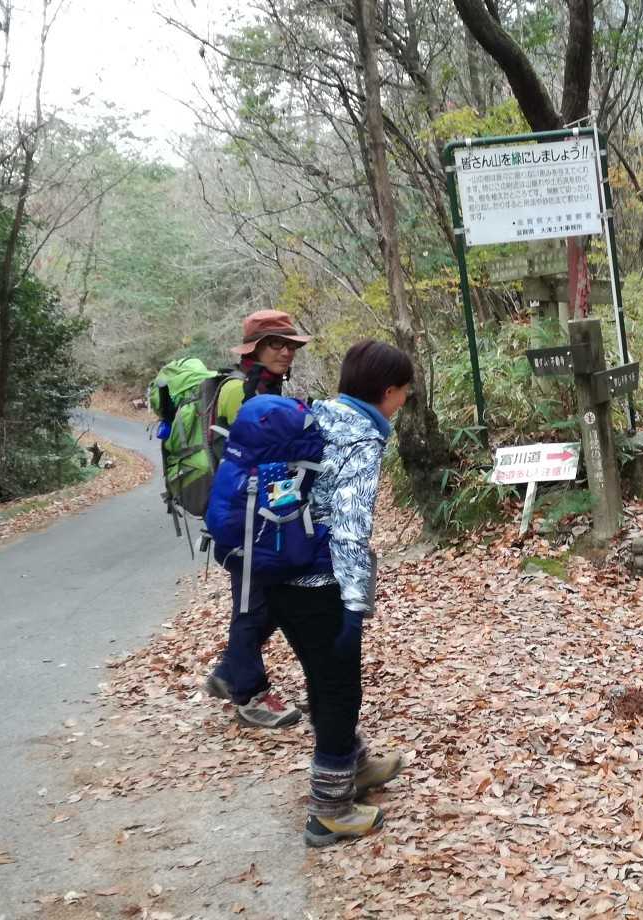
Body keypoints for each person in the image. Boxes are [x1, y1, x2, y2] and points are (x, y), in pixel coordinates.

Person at [272, 339, 412, 847]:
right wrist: (355, 604)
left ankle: (353, 765)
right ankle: (329, 811)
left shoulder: (315, 416)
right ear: (388, 391)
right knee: (339, 690)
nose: (404, 401)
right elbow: (350, 529)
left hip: (278, 572)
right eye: (404, 392)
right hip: (319, 582)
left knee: (322, 677)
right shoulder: (361, 437)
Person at [203, 309, 311, 729]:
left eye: (290, 345)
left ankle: (229, 671)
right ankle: (248, 694)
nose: (286, 352)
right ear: (254, 349)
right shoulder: (240, 390)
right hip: (242, 517)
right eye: (276, 344)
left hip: (263, 514)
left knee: (269, 601)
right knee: (252, 604)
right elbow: (256, 455)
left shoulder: (268, 386)